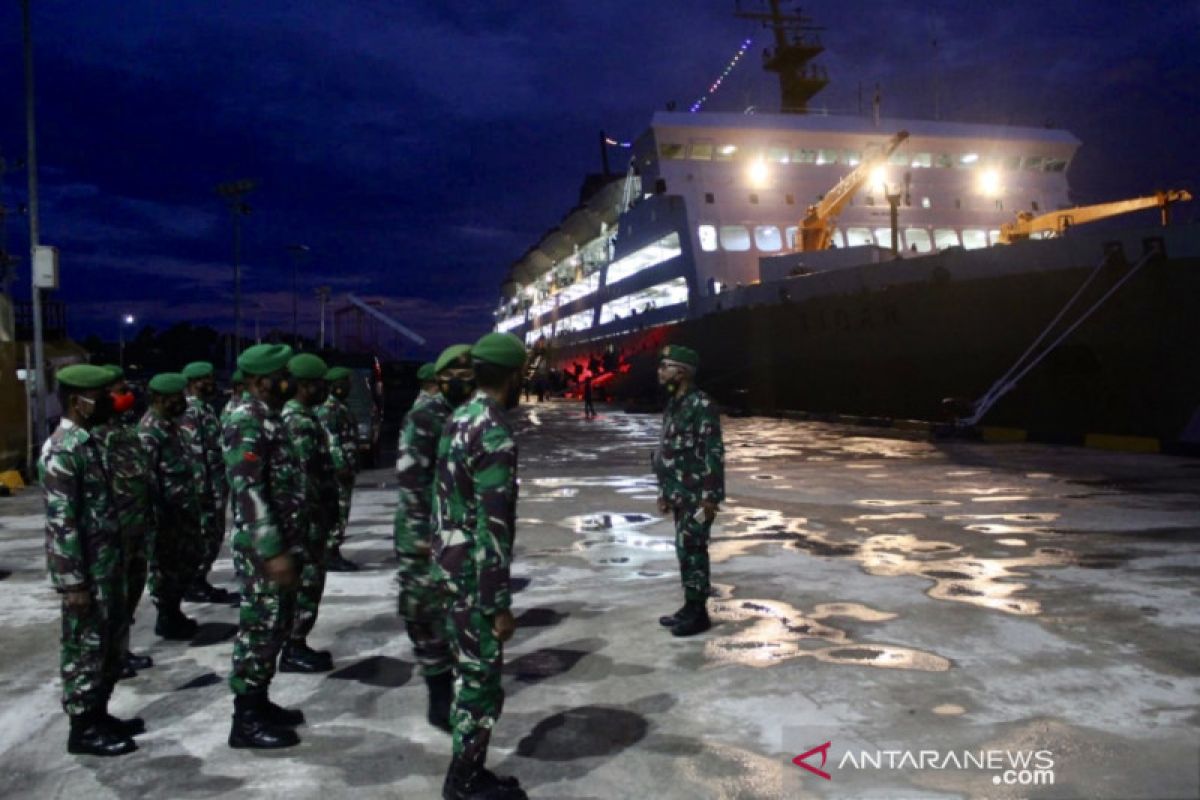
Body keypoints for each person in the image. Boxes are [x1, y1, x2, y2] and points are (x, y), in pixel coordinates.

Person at [432, 332, 528, 800]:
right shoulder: (493, 430)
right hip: (474, 575)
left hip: (450, 564)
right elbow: (494, 526)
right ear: (514, 376)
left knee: (466, 670)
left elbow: (444, 501)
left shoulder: (457, 418)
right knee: (480, 680)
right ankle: (464, 780)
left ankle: (467, 772)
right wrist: (497, 603)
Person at [40, 363, 141, 756]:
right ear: (77, 403)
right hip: (87, 571)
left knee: (111, 643)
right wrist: (73, 583)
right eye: (100, 398)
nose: (108, 404)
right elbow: (60, 524)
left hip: (108, 563)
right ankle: (82, 727)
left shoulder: (89, 442)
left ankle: (99, 712)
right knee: (85, 647)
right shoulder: (63, 450)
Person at [223, 343, 306, 749]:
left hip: (281, 544)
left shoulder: (269, 418)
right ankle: (246, 720)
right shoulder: (246, 422)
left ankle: (260, 700)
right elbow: (249, 490)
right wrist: (272, 549)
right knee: (259, 627)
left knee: (275, 625)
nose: (288, 379)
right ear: (260, 381)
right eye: (282, 373)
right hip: (262, 550)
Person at [394, 350, 471, 733]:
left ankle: (449, 683)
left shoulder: (463, 414)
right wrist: (428, 537)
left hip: (453, 533)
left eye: (469, 374)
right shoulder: (424, 417)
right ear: (441, 378)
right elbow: (411, 482)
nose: (465, 380)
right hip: (424, 534)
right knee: (424, 613)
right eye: (457, 374)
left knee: (452, 612)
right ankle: (438, 696)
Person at [652, 345, 725, 637]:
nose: (660, 371)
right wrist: (664, 491)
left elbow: (713, 451)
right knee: (684, 548)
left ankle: (699, 612)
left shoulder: (701, 405)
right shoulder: (674, 404)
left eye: (665, 366)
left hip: (697, 495)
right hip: (679, 491)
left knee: (694, 548)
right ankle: (689, 604)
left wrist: (711, 497)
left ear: (681, 372)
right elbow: (666, 450)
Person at [278, 353, 339, 673]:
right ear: (305, 386)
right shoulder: (298, 421)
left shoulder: (301, 416)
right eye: (320, 384)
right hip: (306, 523)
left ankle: (294, 642)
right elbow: (303, 481)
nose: (325, 390)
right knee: (307, 583)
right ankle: (293, 646)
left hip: (309, 521)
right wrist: (313, 522)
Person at [94, 365, 154, 675]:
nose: (125, 396)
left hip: (135, 528)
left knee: (129, 595)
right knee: (108, 601)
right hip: (111, 535)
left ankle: (121, 651)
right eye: (119, 391)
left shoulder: (125, 432)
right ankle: (107, 658)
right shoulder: (93, 438)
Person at [138, 372, 204, 641]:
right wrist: (155, 519)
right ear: (157, 399)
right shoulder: (149, 430)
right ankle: (166, 616)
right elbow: (147, 479)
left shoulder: (171, 425)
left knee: (186, 562)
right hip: (165, 517)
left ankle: (174, 611)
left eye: (181, 396)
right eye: (173, 398)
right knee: (165, 568)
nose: (181, 401)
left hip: (182, 512)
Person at [179, 361, 236, 604]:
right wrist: (203, 491)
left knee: (213, 535)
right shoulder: (192, 411)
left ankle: (199, 580)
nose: (211, 383)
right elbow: (195, 453)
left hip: (215, 484)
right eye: (206, 379)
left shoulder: (205, 408)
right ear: (193, 383)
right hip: (206, 488)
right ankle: (194, 582)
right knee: (206, 536)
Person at [319, 366, 359, 572]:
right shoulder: (329, 409)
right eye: (345, 382)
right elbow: (331, 439)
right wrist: (341, 465)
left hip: (345, 469)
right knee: (338, 511)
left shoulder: (340, 407)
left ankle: (333, 551)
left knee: (342, 511)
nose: (349, 386)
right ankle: (330, 552)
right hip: (338, 471)